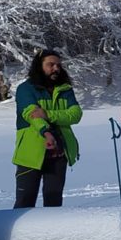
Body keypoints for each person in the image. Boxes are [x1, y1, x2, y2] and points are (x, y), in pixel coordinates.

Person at [12, 49, 83, 208]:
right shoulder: (26, 89)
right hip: (30, 154)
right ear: (39, 66)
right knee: (25, 202)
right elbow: (30, 113)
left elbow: (76, 114)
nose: (56, 69)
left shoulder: (65, 89)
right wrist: (46, 131)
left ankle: (51, 234)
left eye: (58, 65)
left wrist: (48, 114)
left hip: (59, 153)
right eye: (50, 65)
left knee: (54, 202)